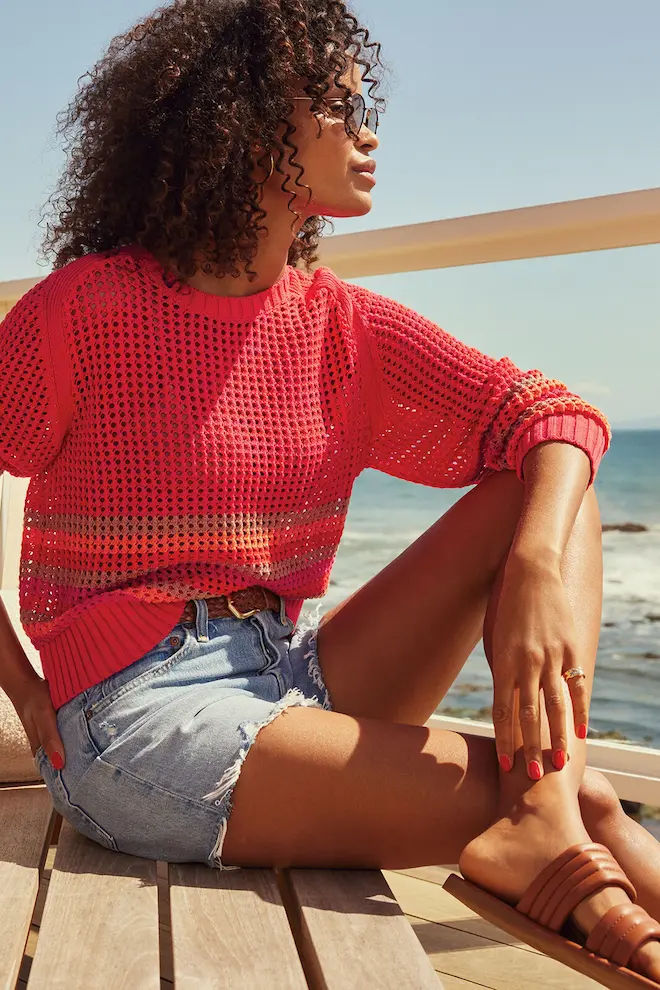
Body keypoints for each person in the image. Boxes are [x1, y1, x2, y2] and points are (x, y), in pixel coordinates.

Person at [1, 1, 659, 983]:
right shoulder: (84, 315)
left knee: (547, 494)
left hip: (287, 672)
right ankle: (546, 826)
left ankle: (541, 823)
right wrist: (21, 681)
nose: (369, 132)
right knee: (575, 797)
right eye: (340, 108)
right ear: (246, 119)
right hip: (131, 719)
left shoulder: (338, 326)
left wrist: (528, 567)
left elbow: (553, 417)